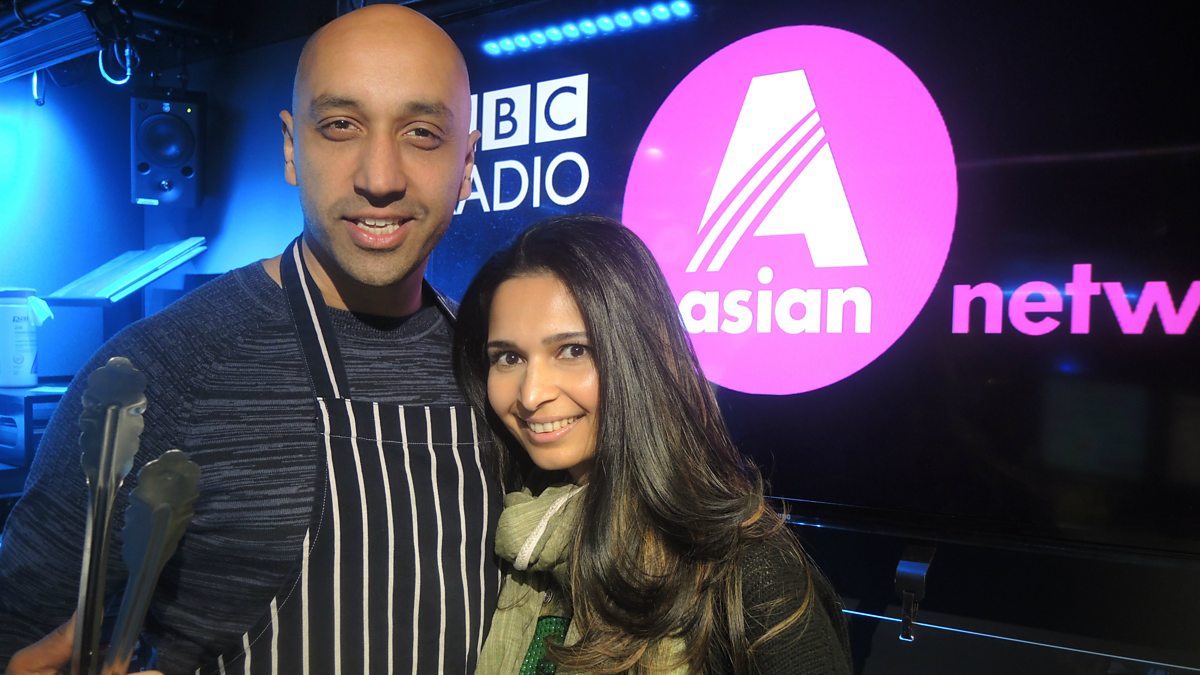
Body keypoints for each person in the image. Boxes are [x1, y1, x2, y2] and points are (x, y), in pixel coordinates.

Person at [0, 5, 499, 674]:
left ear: (466, 163)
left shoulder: (500, 373)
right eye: (341, 125)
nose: (380, 177)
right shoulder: (159, 371)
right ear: (292, 148)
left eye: (422, 133)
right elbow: (20, 631)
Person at [452, 214, 853, 674]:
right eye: (508, 357)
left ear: (638, 353)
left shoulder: (745, 569)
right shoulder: (514, 532)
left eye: (573, 350)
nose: (530, 394)